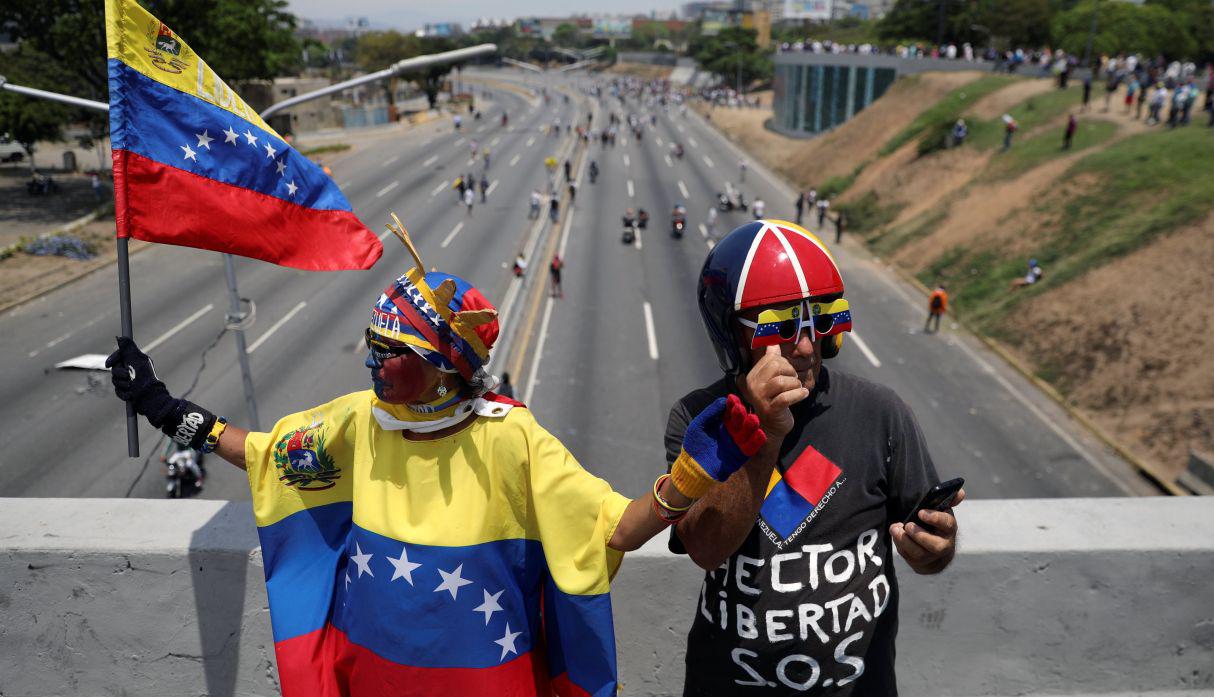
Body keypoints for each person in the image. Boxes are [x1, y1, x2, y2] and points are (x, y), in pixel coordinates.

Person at [107, 222, 765, 696]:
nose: (372, 358)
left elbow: (616, 529)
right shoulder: (358, 422)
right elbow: (263, 453)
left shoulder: (513, 438)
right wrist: (164, 406)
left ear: (447, 368)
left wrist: (689, 479)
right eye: (373, 340)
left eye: (392, 347)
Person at [665, 220, 964, 697]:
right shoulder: (699, 419)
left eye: (822, 320)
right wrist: (762, 432)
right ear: (733, 336)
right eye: (780, 327)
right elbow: (705, 547)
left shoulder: (880, 412)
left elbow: (928, 548)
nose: (805, 347)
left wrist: (937, 549)